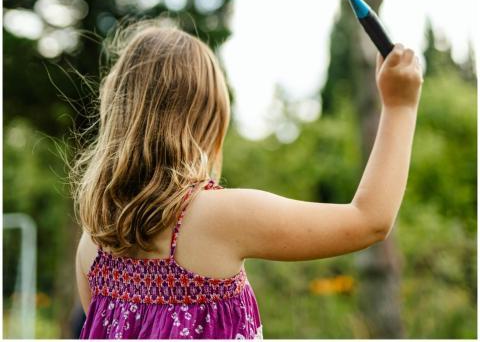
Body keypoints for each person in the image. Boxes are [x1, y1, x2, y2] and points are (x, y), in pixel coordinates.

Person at [73, 19, 423, 340]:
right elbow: (369, 221)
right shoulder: (218, 216)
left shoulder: (93, 244)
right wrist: (400, 107)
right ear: (206, 120)